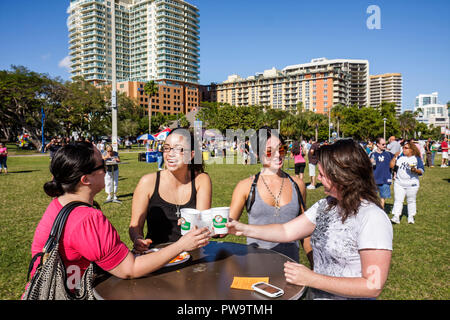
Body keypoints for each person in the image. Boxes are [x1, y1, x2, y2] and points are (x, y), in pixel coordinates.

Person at [25, 142, 210, 296]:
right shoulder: (87, 219)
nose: (106, 169)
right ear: (85, 180)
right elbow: (129, 269)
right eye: (102, 166)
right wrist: (181, 245)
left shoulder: (59, 203)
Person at [227, 139, 393, 300]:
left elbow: (373, 285)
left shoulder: (373, 218)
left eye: (322, 174)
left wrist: (312, 278)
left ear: (342, 176)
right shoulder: (325, 205)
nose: (318, 179)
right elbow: (286, 230)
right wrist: (242, 228)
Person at [228, 127, 309, 263]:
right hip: (256, 270)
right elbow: (227, 226)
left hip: (291, 271)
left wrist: (314, 263)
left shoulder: (298, 184)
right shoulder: (246, 186)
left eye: (281, 149)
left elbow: (305, 231)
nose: (278, 155)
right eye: (270, 151)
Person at [129, 128, 212, 252]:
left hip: (192, 254)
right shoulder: (148, 182)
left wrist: (197, 224)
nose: (170, 154)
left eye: (178, 149)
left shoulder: (201, 180)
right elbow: (135, 225)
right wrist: (138, 239)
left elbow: (203, 223)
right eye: (167, 148)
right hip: (155, 256)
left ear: (191, 155)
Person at [390, 140, 424, 225]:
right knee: (398, 200)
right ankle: (396, 216)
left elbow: (422, 171)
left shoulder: (416, 159)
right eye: (403, 148)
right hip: (399, 183)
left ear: (411, 150)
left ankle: (411, 216)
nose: (403, 149)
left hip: (412, 184)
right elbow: (391, 166)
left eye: (406, 148)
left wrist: (415, 170)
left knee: (411, 200)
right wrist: (395, 157)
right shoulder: (400, 158)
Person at [369, 138, 394, 209]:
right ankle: (374, 210)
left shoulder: (388, 154)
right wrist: (370, 162)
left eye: (385, 144)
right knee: (373, 197)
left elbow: (394, 163)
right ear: (377, 144)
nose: (385, 145)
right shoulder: (373, 154)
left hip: (385, 178)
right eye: (383, 144)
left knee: (383, 197)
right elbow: (369, 166)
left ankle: (382, 210)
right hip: (375, 178)